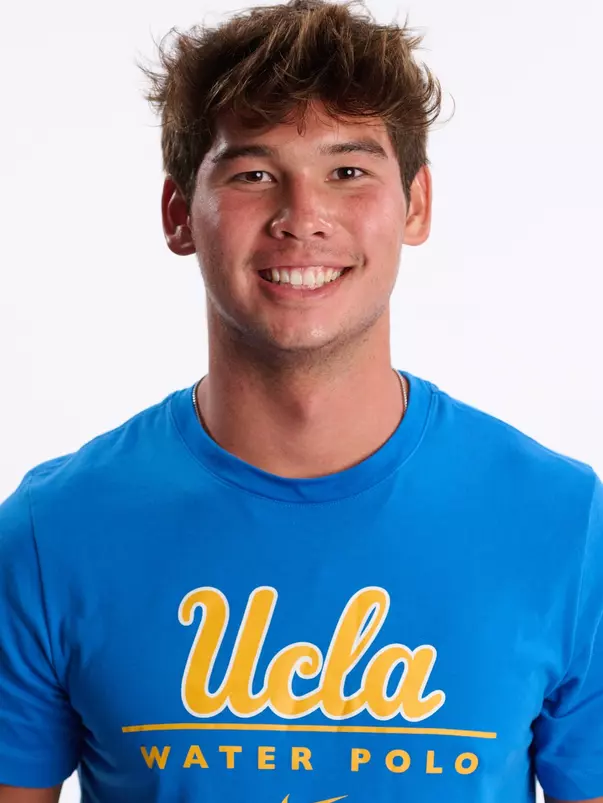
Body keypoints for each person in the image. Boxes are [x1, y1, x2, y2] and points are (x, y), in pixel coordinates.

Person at [1, 0, 602, 801]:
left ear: (415, 204)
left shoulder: (565, 525)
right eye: (253, 174)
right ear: (180, 215)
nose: (302, 218)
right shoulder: (50, 534)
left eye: (347, 172)